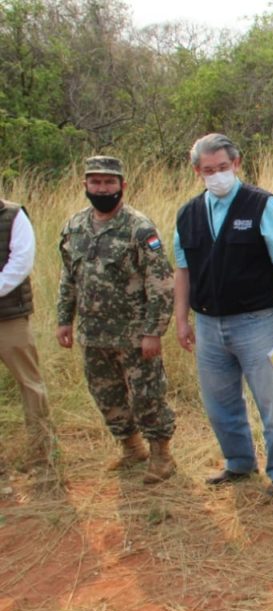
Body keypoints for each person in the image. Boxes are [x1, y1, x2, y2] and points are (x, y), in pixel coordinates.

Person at [173, 133, 273, 498]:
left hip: (258, 321)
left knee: (272, 404)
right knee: (220, 404)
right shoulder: (188, 214)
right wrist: (182, 320)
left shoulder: (262, 205)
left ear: (237, 164)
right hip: (208, 324)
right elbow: (182, 270)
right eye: (208, 170)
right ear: (197, 171)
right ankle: (239, 463)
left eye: (223, 168)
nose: (217, 175)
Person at [56, 156, 177, 483]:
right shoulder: (75, 226)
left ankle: (162, 456)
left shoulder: (139, 228)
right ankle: (130, 448)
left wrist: (153, 331)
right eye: (95, 182)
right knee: (106, 395)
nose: (102, 188)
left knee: (147, 396)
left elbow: (161, 282)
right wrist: (64, 319)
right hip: (93, 334)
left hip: (134, 336)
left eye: (109, 183)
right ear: (85, 185)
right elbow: (69, 277)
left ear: (122, 185)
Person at [0, 199, 55, 472]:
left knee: (30, 385)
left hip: (9, 318)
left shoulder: (13, 215)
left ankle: (41, 455)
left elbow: (21, 262)